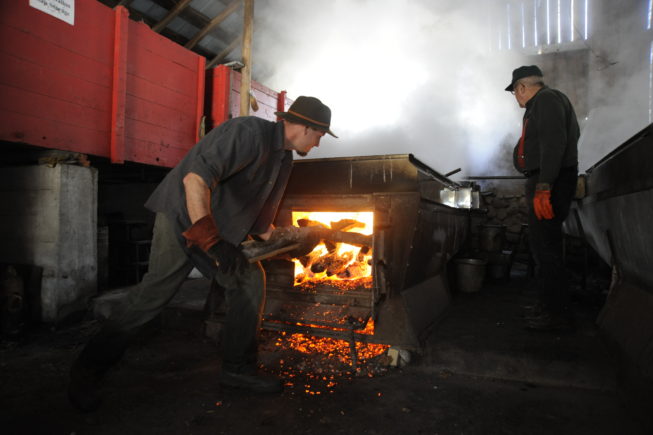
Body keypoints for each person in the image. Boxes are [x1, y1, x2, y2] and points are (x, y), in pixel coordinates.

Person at [68, 96, 337, 412]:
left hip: (218, 229)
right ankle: (87, 370)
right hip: (181, 218)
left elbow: (262, 219)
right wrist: (212, 240)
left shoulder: (284, 160)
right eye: (319, 136)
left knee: (250, 280)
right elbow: (195, 179)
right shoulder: (248, 132)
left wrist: (286, 243)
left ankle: (238, 370)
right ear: (306, 127)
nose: (319, 144)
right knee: (153, 295)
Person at [505, 65, 579, 332]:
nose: (516, 98)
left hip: (549, 181)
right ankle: (548, 306)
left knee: (546, 249)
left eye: (515, 92)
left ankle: (556, 315)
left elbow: (554, 144)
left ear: (522, 87)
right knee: (542, 248)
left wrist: (545, 185)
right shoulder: (541, 105)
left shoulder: (546, 100)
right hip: (544, 179)